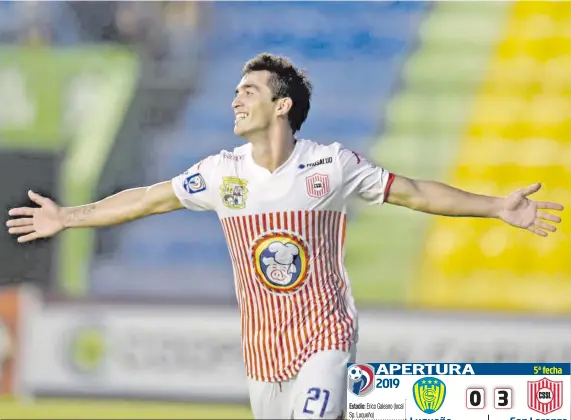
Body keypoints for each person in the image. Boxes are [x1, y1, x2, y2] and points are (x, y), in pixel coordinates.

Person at [5, 53, 564, 419]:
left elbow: (415, 192)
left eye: (249, 91)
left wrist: (496, 207)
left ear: (282, 106)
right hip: (262, 359)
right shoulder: (222, 173)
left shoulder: (330, 166)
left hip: (325, 342)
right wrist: (68, 216)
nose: (236, 99)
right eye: (235, 91)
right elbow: (146, 199)